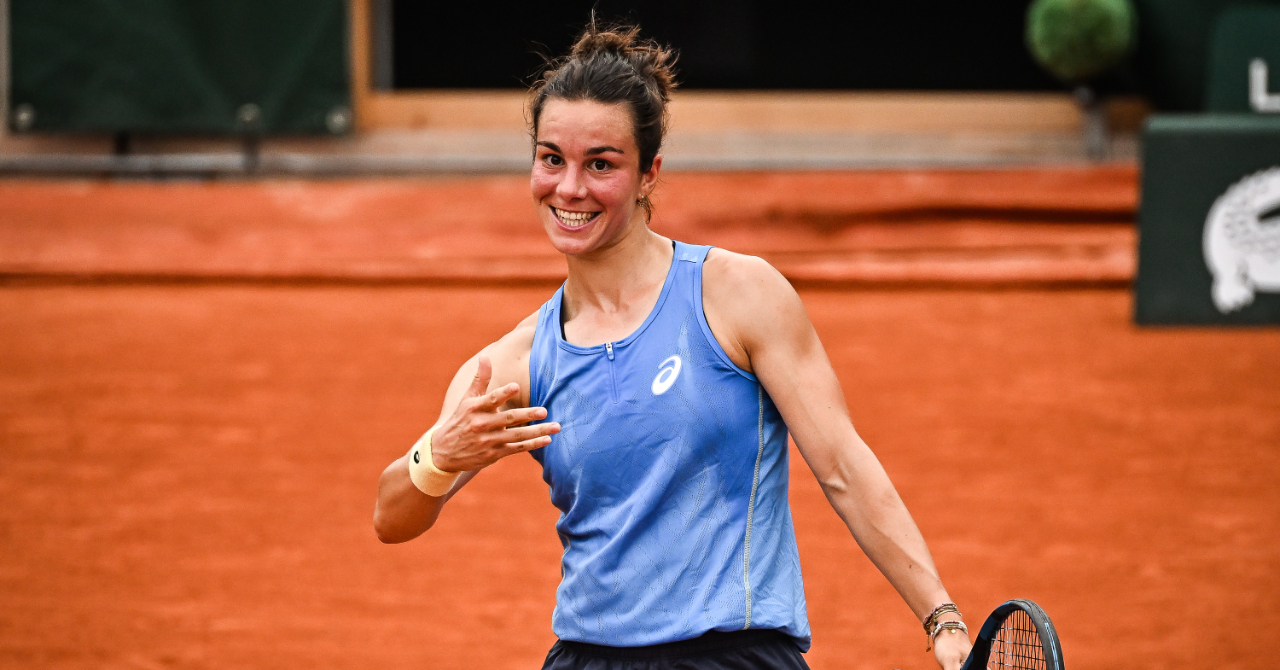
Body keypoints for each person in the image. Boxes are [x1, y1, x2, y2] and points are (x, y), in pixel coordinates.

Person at [374, 21, 974, 670]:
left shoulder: (737, 295)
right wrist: (438, 454)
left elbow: (844, 468)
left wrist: (939, 614)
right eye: (552, 159)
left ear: (647, 173)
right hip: (589, 656)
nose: (569, 189)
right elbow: (392, 517)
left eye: (600, 164)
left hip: (735, 654)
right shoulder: (515, 361)